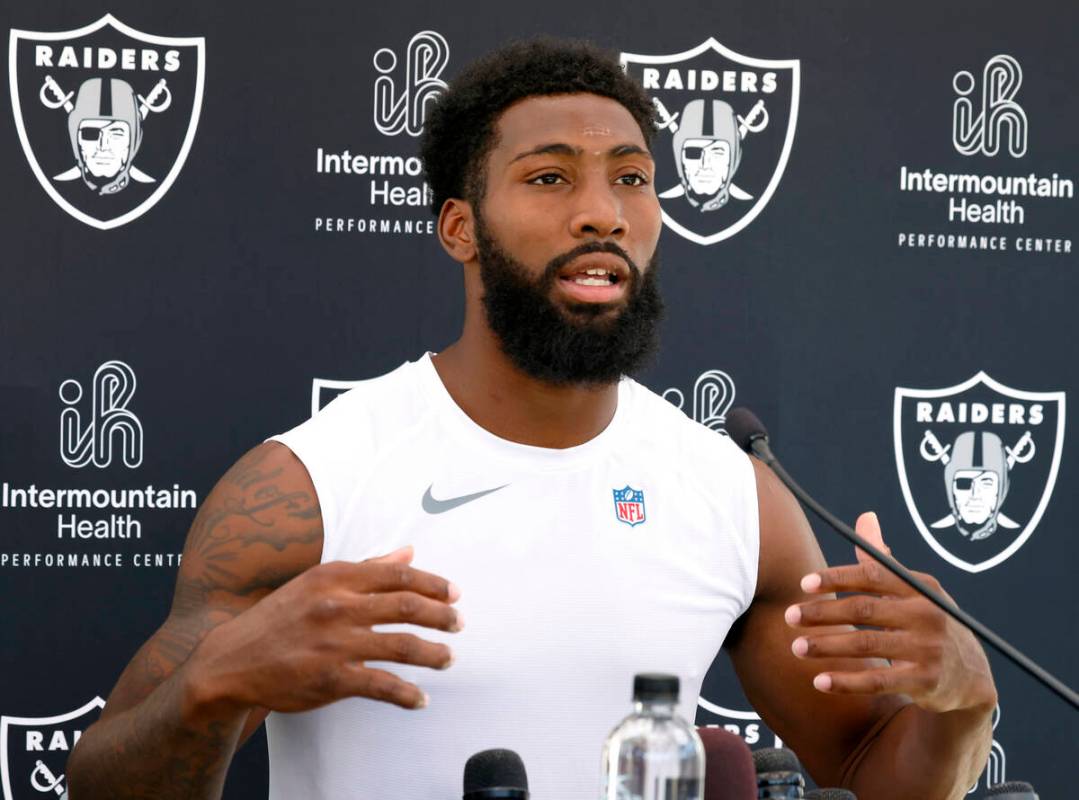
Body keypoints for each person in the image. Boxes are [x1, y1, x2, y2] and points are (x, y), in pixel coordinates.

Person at [67, 39, 996, 799]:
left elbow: (875, 771)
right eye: (550, 179)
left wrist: (960, 701)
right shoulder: (307, 486)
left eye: (631, 178)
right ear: (460, 228)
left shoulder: (730, 494)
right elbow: (103, 786)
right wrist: (214, 688)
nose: (602, 213)